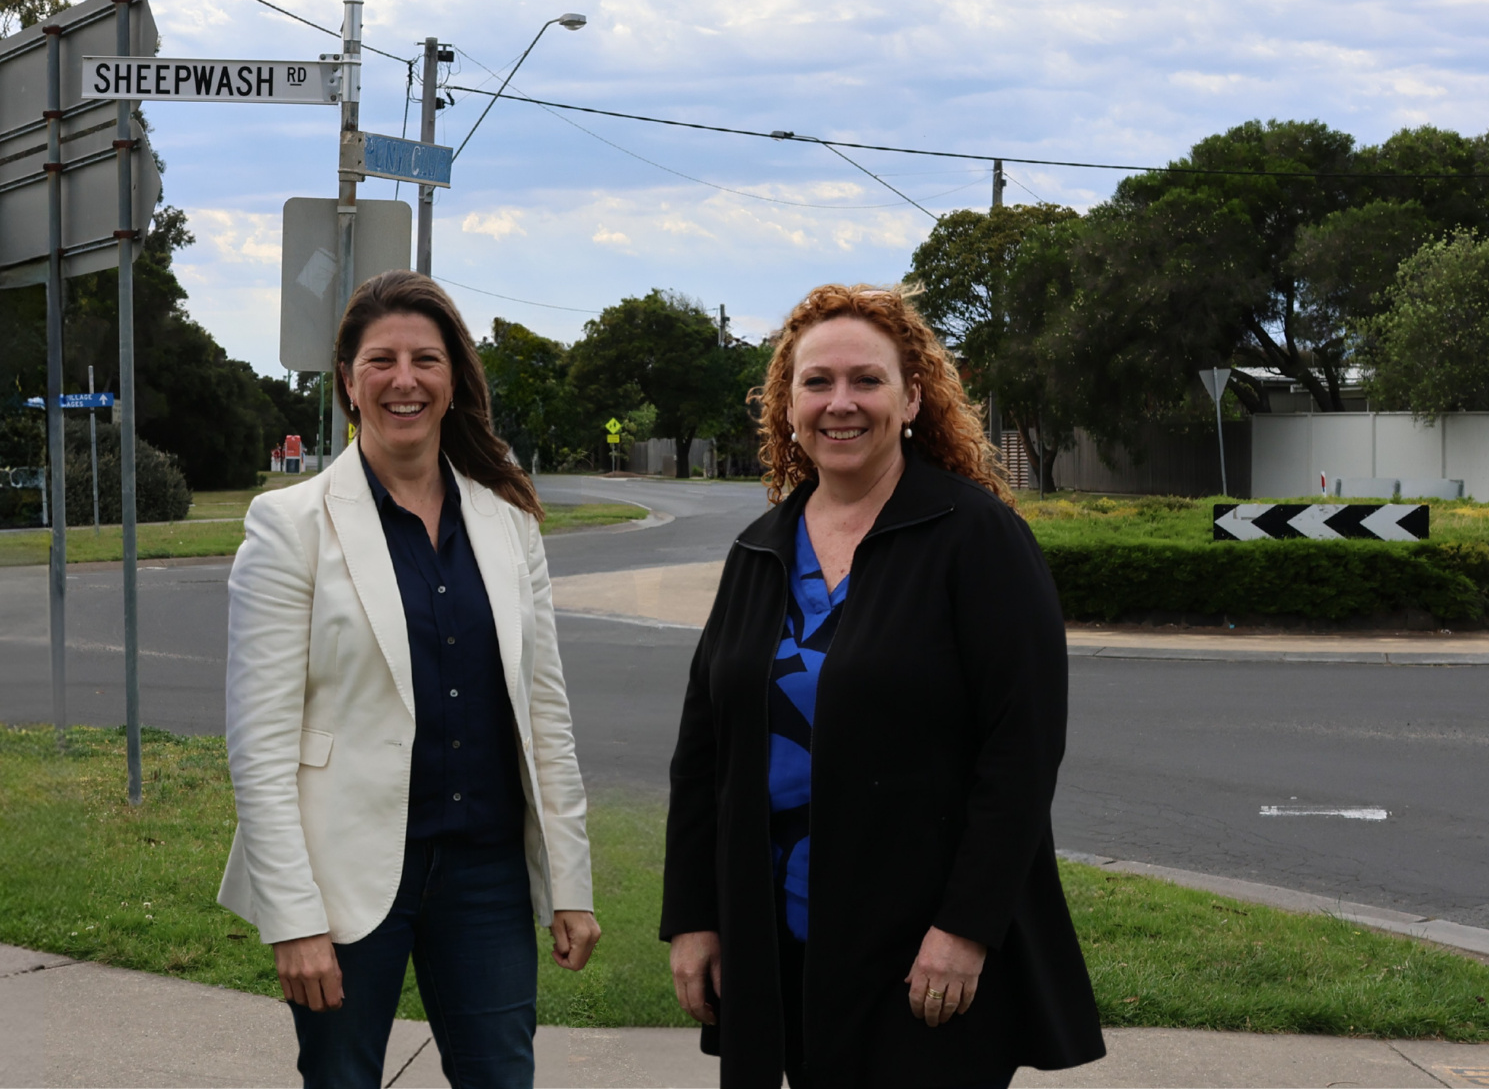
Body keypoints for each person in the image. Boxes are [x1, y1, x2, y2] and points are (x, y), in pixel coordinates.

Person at [662, 283, 1105, 1089]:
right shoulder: (759, 551)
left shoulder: (976, 537)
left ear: (911, 399)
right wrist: (694, 919)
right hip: (776, 941)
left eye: (866, 380)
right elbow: (703, 759)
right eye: (816, 382)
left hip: (917, 950)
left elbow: (1023, 751)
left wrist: (966, 929)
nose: (841, 403)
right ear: (786, 405)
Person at [221, 271, 599, 1089]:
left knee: (502, 1077)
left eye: (426, 359)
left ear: (454, 378)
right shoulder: (289, 526)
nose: (405, 379)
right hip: (346, 877)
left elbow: (546, 717)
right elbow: (260, 745)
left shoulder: (508, 525)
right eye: (381, 361)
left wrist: (570, 882)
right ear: (348, 384)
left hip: (485, 874)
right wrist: (293, 918)